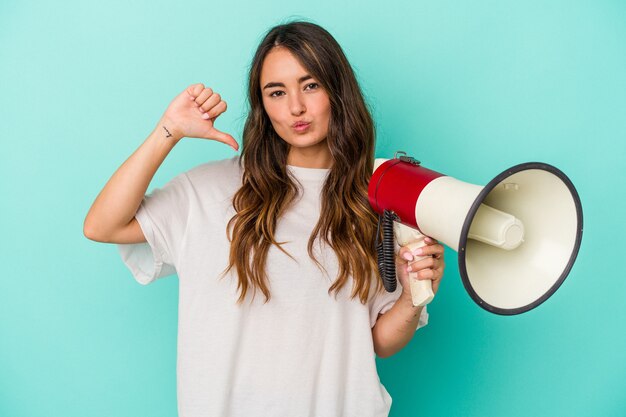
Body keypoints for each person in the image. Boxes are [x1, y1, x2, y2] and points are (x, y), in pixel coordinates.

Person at [84, 20, 444, 417]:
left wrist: (412, 298)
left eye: (311, 85)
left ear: (337, 92)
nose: (295, 107)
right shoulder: (208, 190)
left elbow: (379, 342)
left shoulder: (375, 201)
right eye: (277, 92)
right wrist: (168, 130)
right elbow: (103, 225)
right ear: (262, 104)